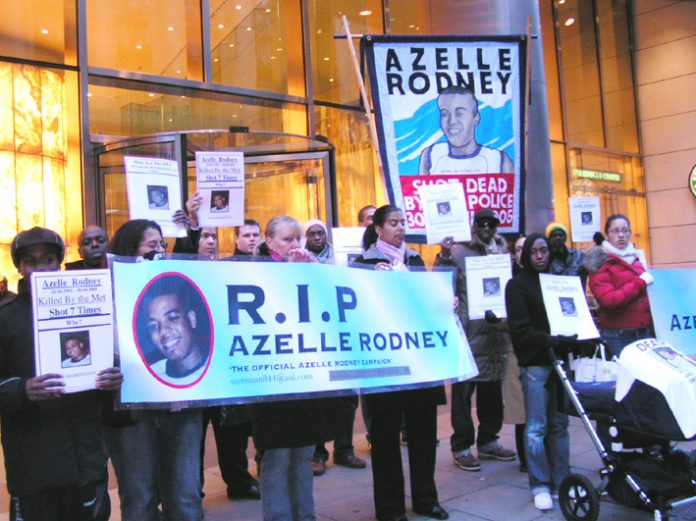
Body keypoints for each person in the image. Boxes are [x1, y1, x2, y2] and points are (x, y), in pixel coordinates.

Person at [0, 227, 122, 521]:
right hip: (32, 464)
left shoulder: (91, 306)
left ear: (59, 263)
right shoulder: (5, 317)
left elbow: (108, 358)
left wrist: (113, 376)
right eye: (31, 261)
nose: (41, 268)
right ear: (19, 267)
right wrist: (22, 389)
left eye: (48, 259)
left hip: (85, 459)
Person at [105, 219, 204, 521]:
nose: (160, 250)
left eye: (162, 244)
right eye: (153, 245)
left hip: (179, 405)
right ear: (128, 248)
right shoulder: (104, 286)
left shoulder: (175, 282)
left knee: (185, 494)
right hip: (131, 411)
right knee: (139, 496)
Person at [355, 205, 448, 521]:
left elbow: (425, 304)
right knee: (385, 441)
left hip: (419, 364)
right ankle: (391, 509)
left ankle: (426, 498)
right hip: (384, 366)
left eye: (403, 222)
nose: (401, 227)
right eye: (393, 223)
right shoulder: (363, 264)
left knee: (423, 436)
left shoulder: (415, 261)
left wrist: (443, 303)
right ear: (379, 229)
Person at [252, 215, 338, 521]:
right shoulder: (251, 268)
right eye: (287, 239)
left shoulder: (309, 266)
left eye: (297, 239)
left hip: (303, 378)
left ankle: (305, 514)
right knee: (276, 457)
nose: (295, 244)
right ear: (269, 240)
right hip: (271, 381)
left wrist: (315, 273)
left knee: (302, 454)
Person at [435, 209, 515, 473]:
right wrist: (444, 256)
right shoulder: (459, 251)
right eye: (480, 223)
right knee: (463, 396)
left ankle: (489, 441)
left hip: (496, 334)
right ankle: (462, 447)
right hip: (469, 334)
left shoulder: (504, 253)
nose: (485, 228)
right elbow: (440, 282)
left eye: (491, 224)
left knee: (492, 393)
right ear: (473, 226)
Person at [505, 233, 577, 511]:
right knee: (536, 426)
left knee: (559, 425)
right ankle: (540, 484)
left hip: (558, 362)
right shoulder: (517, 286)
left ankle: (562, 481)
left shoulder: (556, 282)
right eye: (534, 251)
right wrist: (553, 339)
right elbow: (520, 331)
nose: (539, 256)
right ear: (525, 256)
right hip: (535, 363)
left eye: (544, 250)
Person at [302, 218, 365, 476]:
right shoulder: (298, 260)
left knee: (346, 399)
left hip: (342, 333)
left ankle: (344, 449)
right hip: (316, 334)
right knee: (316, 401)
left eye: (320, 233)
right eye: (312, 234)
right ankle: (318, 453)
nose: (317, 237)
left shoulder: (342, 256)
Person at [583, 214, 654, 358]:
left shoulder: (637, 259)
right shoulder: (601, 263)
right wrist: (639, 283)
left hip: (643, 332)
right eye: (615, 231)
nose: (621, 235)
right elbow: (609, 300)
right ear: (607, 235)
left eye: (625, 230)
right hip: (618, 335)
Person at [418, 86, 514, 175]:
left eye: (460, 113)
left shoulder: (498, 161)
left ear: (476, 118)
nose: (452, 121)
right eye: (444, 114)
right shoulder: (430, 155)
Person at [137, 276, 210, 384]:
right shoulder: (146, 378)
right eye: (154, 325)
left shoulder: (223, 365)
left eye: (172, 318)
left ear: (192, 319)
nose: (163, 332)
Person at [505, 233, 527, 472]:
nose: (523, 252)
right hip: (515, 348)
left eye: (526, 247)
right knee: (522, 409)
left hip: (539, 348)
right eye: (519, 248)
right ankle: (526, 459)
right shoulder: (507, 278)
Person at [545, 222, 587, 288]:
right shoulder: (545, 258)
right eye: (554, 235)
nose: (558, 238)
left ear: (565, 238)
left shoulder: (578, 255)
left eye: (560, 235)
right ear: (549, 239)